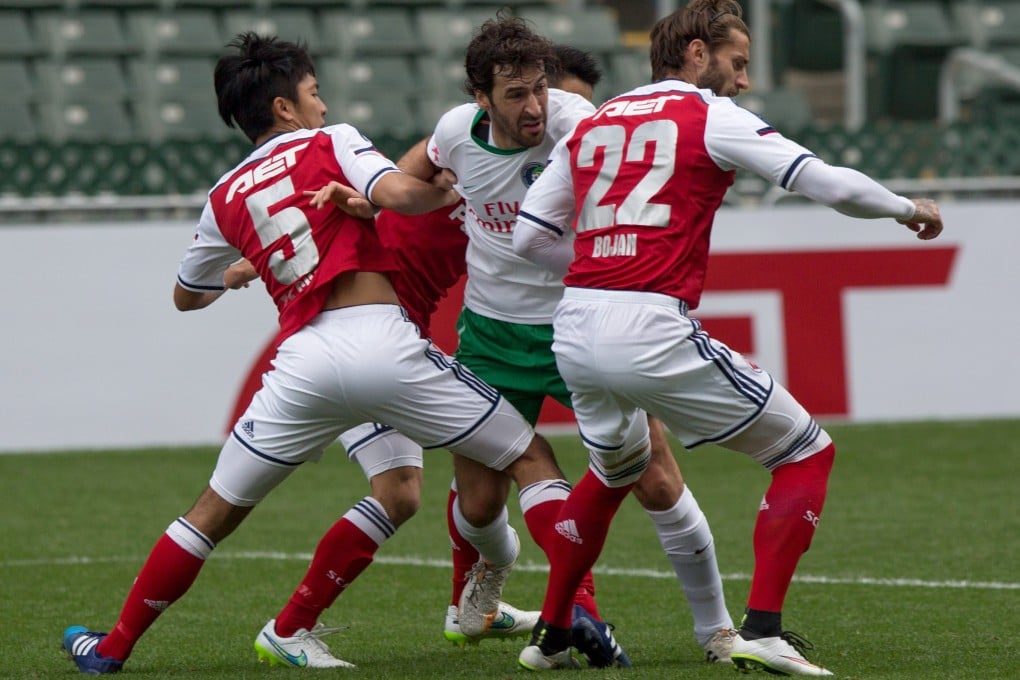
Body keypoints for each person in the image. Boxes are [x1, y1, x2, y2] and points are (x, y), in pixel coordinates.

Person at [60, 32, 570, 674]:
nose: (323, 106)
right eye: (314, 92)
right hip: (382, 343)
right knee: (529, 454)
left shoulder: (222, 196)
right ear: (285, 107)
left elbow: (184, 296)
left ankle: (112, 649)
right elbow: (396, 196)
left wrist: (237, 274)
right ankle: (574, 614)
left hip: (303, 363)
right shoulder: (331, 142)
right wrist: (455, 192)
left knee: (214, 513)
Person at [511, 0, 944, 674]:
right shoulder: (707, 114)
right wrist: (906, 207)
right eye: (737, 63)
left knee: (612, 470)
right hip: (647, 322)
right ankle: (765, 629)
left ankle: (554, 630)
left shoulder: (591, 124)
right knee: (806, 451)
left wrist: (606, 265)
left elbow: (529, 238)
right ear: (694, 53)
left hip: (574, 326)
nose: (743, 82)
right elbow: (821, 181)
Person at [221, 44, 610, 652]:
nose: (552, 116)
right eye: (539, 99)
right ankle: (296, 626)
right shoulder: (452, 170)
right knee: (499, 466)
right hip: (369, 337)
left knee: (422, 494)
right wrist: (257, 256)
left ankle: (464, 607)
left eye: (561, 104)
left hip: (390, 337)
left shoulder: (537, 186)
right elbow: (368, 193)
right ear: (490, 102)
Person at [399, 16, 735, 666]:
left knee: (656, 480)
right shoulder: (453, 133)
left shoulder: (577, 122)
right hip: (492, 338)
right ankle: (490, 578)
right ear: (481, 98)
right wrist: (402, 197)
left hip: (579, 326)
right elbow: (412, 171)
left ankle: (717, 630)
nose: (534, 107)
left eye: (539, 89)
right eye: (516, 95)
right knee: (477, 501)